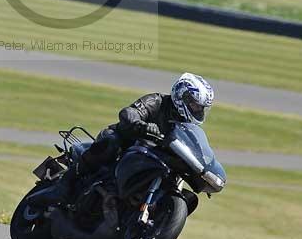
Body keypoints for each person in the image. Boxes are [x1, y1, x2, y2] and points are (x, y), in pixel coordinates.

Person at [33, 72, 214, 207]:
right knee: (110, 144)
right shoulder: (156, 101)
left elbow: (195, 148)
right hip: (124, 141)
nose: (197, 110)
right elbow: (129, 112)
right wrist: (141, 124)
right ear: (180, 95)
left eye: (200, 107)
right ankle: (63, 185)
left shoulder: (187, 127)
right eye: (194, 104)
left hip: (150, 157)